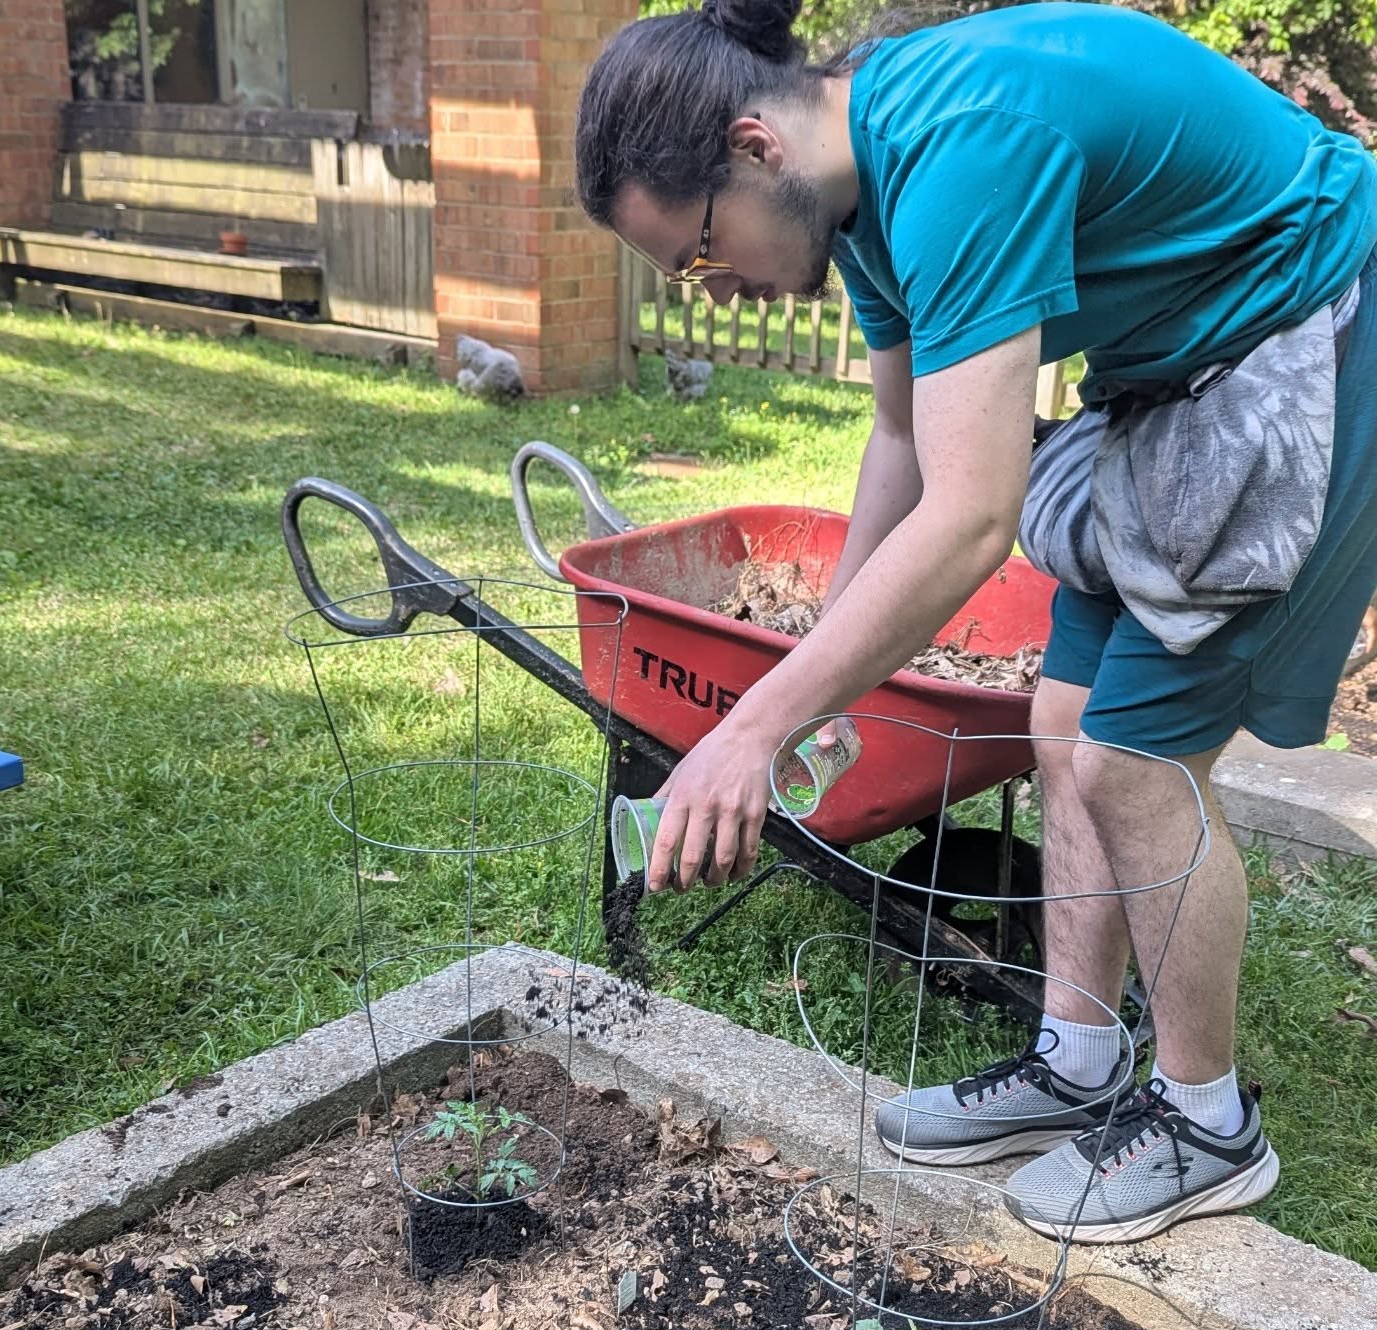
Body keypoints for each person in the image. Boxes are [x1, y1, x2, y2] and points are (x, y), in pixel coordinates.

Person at [575, 0, 1377, 1242]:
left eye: (694, 249)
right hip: (1171, 377)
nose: (710, 282)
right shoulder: (863, 197)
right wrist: (811, 681)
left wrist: (753, 729)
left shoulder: (962, 148)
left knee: (1134, 758)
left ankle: (1209, 1123)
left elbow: (969, 517)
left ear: (752, 147)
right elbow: (901, 439)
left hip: (1306, 334)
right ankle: (1076, 1060)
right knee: (1062, 725)